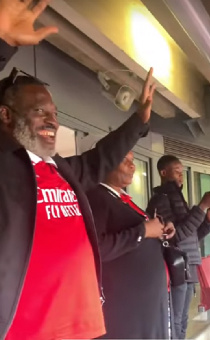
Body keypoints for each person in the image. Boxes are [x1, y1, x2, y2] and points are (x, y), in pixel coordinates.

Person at [0, 1, 156, 339]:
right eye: (39, 110)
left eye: (54, 113)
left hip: (87, 329)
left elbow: (103, 156)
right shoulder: (6, 171)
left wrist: (140, 121)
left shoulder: (63, 171)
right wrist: (3, 41)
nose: (52, 120)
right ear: (6, 117)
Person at [87, 151, 175, 339]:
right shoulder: (96, 197)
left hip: (146, 305)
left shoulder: (122, 200)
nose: (132, 166)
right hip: (126, 307)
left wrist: (159, 230)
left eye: (133, 161)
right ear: (105, 162)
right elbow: (97, 248)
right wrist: (143, 231)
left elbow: (140, 234)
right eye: (124, 160)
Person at [146, 155, 210, 339]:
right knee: (175, 319)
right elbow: (175, 237)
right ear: (163, 173)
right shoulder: (160, 200)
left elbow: (193, 236)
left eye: (182, 172)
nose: (181, 175)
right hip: (177, 267)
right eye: (177, 171)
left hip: (189, 266)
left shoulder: (179, 199)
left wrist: (208, 221)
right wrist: (202, 206)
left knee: (183, 318)